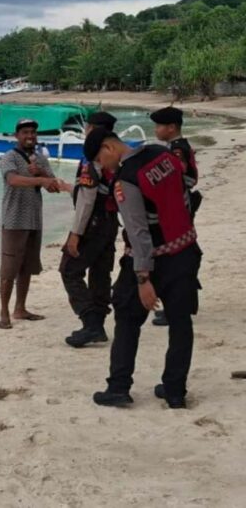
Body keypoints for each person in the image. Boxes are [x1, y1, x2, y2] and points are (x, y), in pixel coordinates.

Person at [84, 132, 202, 410]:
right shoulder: (162, 154)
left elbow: (139, 234)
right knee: (181, 322)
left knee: (126, 320)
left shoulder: (127, 179)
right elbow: (186, 189)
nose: (104, 167)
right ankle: (175, 391)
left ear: (109, 146)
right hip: (186, 250)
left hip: (153, 259)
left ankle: (118, 387)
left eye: (101, 160)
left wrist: (143, 278)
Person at [0, 118, 70, 329]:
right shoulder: (9, 157)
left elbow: (54, 187)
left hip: (34, 220)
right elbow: (13, 180)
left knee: (27, 267)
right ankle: (4, 311)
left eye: (33, 132)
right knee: (9, 268)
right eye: (25, 132)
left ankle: (20, 308)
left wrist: (41, 173)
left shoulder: (40, 160)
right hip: (13, 219)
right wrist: (39, 180)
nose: (30, 136)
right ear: (16, 136)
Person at [60, 111, 120, 348]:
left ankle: (91, 322)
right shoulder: (115, 156)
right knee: (100, 271)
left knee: (69, 269)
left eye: (87, 128)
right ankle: (98, 324)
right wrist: (68, 188)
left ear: (93, 130)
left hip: (93, 223)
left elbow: (87, 201)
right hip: (111, 220)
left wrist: (75, 235)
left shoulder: (91, 158)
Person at [150, 106, 200, 327]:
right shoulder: (176, 147)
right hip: (179, 209)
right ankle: (183, 303)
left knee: (177, 257)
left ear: (171, 128)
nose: (156, 130)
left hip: (178, 210)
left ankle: (179, 305)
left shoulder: (176, 150)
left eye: (159, 126)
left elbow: (184, 178)